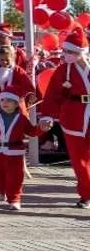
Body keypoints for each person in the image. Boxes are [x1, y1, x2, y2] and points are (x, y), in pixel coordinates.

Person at [40, 27, 90, 207]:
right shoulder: (63, 70)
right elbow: (53, 94)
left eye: (69, 51)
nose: (65, 54)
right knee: (79, 160)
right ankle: (86, 194)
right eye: (65, 50)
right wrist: (47, 115)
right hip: (74, 116)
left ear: (80, 52)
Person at [0, 90, 49, 210]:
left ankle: (14, 199)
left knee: (15, 177)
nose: (5, 103)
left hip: (15, 151)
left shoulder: (21, 118)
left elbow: (31, 131)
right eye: (2, 100)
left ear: (16, 104)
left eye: (9, 100)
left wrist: (41, 128)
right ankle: (1, 190)